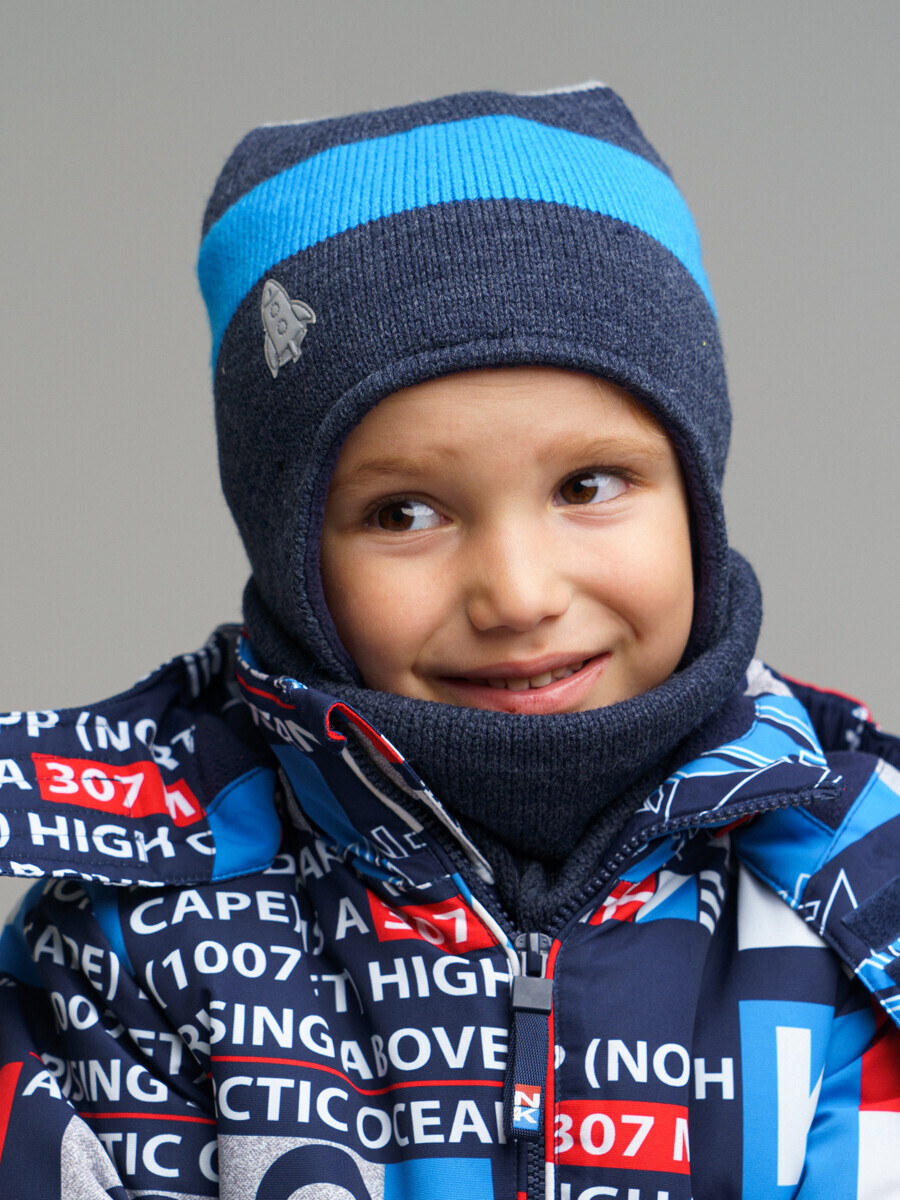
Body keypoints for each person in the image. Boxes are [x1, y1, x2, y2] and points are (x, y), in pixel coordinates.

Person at [0, 83, 898, 1200]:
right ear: (294, 553)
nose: (517, 595)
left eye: (589, 485)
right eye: (405, 513)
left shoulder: (863, 881)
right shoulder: (131, 933)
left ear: (696, 497)